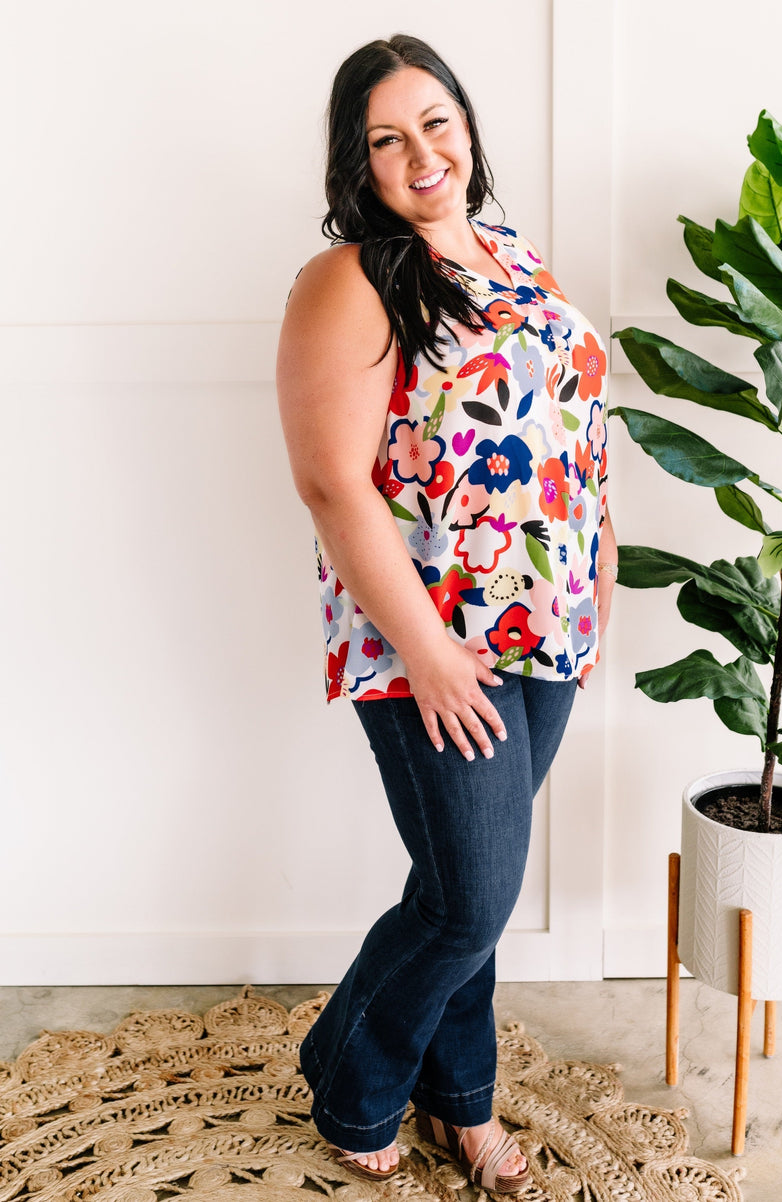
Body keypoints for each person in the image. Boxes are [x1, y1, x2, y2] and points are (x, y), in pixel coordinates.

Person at [277, 33, 616, 1193]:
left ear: (466, 123)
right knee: (469, 892)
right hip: (433, 641)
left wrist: (600, 561)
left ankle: (457, 1098)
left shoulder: (514, 254)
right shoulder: (353, 277)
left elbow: (571, 426)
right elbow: (332, 480)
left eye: (436, 120)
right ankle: (352, 1074)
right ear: (355, 163)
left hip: (550, 632)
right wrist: (426, 652)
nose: (421, 150)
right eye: (386, 137)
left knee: (472, 888)